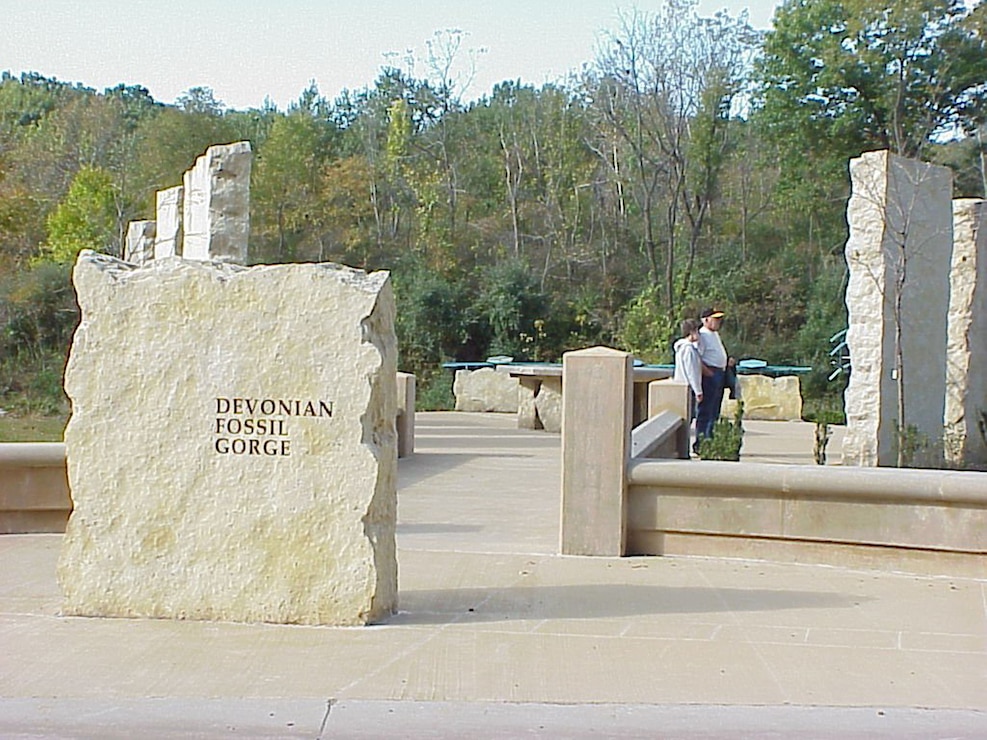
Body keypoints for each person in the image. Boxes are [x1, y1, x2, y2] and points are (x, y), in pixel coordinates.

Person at [695, 307, 729, 450]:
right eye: (715, 319)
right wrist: (707, 372)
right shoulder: (702, 335)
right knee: (706, 411)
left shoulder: (714, 334)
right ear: (705, 320)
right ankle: (702, 442)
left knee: (714, 410)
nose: (718, 322)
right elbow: (696, 357)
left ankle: (710, 439)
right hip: (710, 375)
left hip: (719, 373)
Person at [672, 318, 703, 417]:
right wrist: (698, 391)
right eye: (697, 331)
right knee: (688, 416)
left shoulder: (682, 348)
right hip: (688, 387)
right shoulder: (689, 349)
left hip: (682, 385)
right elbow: (691, 371)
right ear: (692, 332)